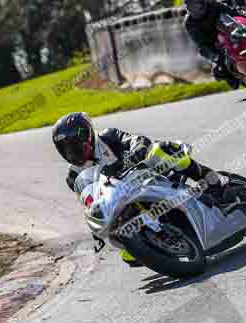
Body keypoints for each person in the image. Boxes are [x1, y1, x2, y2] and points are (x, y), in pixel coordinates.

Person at [52, 112, 227, 267]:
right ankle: (166, 239)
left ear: (87, 136)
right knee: (128, 256)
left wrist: (138, 150)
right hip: (119, 198)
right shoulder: (73, 176)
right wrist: (95, 224)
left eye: (74, 145)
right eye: (65, 148)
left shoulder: (108, 137)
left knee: (160, 152)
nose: (71, 152)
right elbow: (89, 201)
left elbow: (137, 140)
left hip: (146, 174)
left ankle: (211, 181)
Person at [182, 0, 246, 90]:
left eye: (194, 5)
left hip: (227, 31)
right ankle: (229, 74)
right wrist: (214, 56)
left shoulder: (212, 4)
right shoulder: (189, 22)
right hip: (212, 42)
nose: (192, 9)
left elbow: (233, 11)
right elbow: (199, 42)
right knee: (216, 62)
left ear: (201, 2)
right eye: (189, 6)